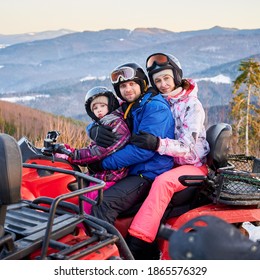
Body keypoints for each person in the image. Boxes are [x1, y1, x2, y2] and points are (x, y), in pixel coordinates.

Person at [127, 53, 210, 258]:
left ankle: (138, 243)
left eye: (166, 78)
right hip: (170, 162)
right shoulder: (162, 102)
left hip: (194, 163)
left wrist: (157, 144)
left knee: (163, 182)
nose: (163, 84)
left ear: (176, 76)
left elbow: (189, 149)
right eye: (157, 81)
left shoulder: (192, 106)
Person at [87, 63, 175, 258]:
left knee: (103, 204)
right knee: (83, 190)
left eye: (131, 85)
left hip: (148, 172)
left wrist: (102, 163)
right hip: (131, 169)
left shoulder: (154, 107)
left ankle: (105, 256)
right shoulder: (130, 104)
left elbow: (142, 152)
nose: (127, 90)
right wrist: (93, 129)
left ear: (142, 84)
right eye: (122, 87)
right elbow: (98, 114)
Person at [56, 86, 130, 214]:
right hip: (100, 174)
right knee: (68, 188)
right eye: (95, 108)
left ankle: (85, 231)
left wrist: (71, 155)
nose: (99, 110)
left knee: (87, 205)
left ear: (110, 105)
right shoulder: (103, 124)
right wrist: (69, 149)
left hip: (111, 177)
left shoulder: (116, 124)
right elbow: (92, 147)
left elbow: (98, 151)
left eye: (102, 106)